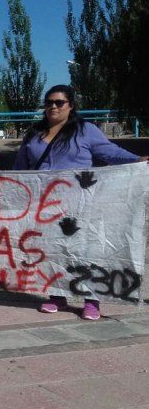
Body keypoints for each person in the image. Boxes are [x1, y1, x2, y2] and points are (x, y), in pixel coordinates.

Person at [13, 84, 148, 320]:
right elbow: (19, 169)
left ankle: (91, 299)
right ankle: (57, 296)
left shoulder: (85, 130)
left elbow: (109, 152)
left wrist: (136, 159)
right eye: (49, 102)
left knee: (85, 250)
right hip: (45, 205)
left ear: (71, 105)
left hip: (80, 203)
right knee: (52, 250)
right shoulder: (35, 134)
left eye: (59, 103)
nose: (53, 107)